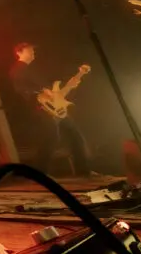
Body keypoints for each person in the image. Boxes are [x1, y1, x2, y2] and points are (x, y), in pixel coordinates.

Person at [9, 42, 96, 177]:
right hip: (42, 108)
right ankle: (39, 174)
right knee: (51, 138)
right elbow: (20, 89)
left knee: (75, 137)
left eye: (33, 50)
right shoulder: (18, 69)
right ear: (19, 52)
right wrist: (41, 90)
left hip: (56, 108)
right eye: (29, 50)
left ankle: (84, 171)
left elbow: (54, 88)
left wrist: (79, 74)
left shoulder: (32, 70)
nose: (33, 52)